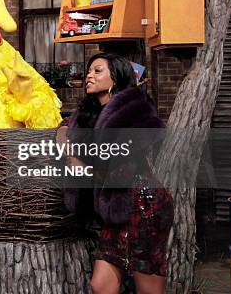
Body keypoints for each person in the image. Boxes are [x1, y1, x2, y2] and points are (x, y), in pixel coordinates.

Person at [58, 53, 173, 294]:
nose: (89, 75)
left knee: (149, 289)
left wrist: (81, 165)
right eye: (88, 71)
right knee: (101, 286)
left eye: (98, 71)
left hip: (143, 202)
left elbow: (120, 164)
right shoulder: (90, 114)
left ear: (116, 78)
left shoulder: (134, 112)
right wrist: (65, 136)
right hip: (115, 207)